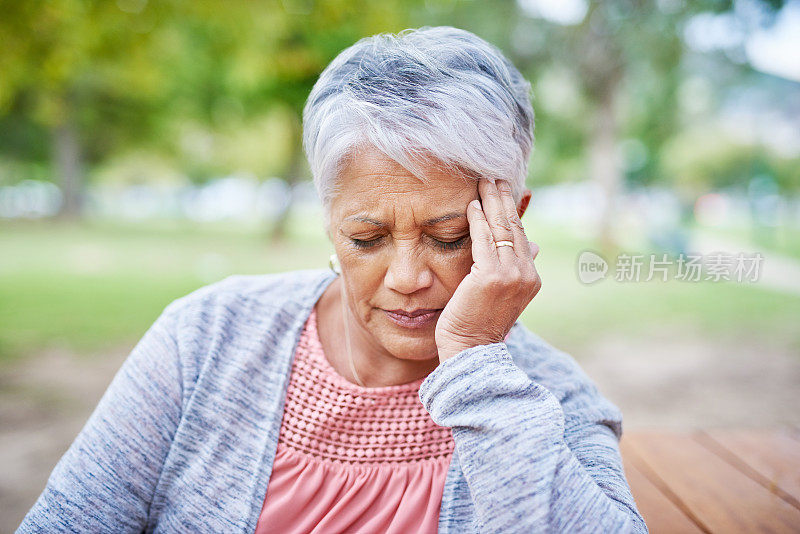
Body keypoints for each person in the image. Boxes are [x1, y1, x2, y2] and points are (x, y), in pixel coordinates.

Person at [18, 26, 647, 533]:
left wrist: (478, 365)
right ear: (327, 221)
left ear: (510, 225)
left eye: (449, 237)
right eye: (366, 238)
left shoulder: (552, 402)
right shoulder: (204, 336)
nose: (406, 276)